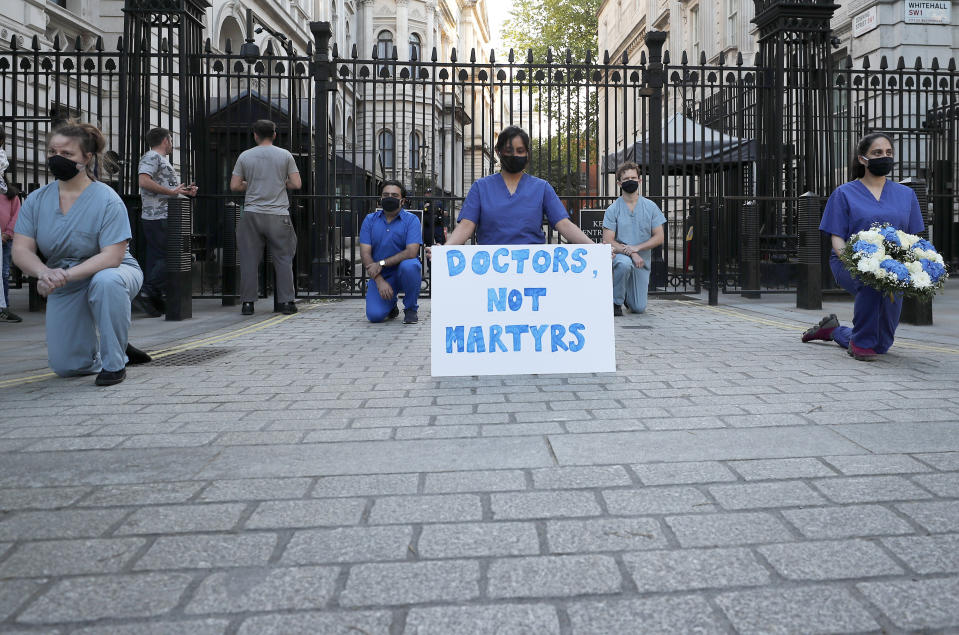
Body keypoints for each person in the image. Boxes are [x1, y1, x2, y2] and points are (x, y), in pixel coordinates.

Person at [12, 121, 152, 386]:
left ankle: (114, 363)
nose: (57, 158)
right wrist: (44, 272)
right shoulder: (36, 200)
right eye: (53, 151)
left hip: (113, 271)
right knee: (67, 367)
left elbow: (112, 257)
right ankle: (112, 346)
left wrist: (63, 274)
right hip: (65, 279)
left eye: (67, 154)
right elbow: (21, 249)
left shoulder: (107, 199)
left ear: (87, 158)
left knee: (106, 282)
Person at [801, 132, 925, 360]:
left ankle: (834, 331)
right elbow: (837, 238)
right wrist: (854, 263)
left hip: (892, 267)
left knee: (881, 344)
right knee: (872, 283)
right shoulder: (844, 193)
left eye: (888, 153)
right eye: (877, 153)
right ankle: (860, 345)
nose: (884, 157)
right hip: (848, 261)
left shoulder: (906, 195)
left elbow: (914, 238)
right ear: (862, 159)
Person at [444, 126, 594, 247]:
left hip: (532, 269)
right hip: (490, 270)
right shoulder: (480, 187)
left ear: (527, 154)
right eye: (509, 151)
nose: (514, 155)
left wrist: (595, 248)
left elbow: (564, 224)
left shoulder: (542, 188)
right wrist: (444, 250)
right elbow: (466, 225)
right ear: (498, 152)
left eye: (520, 151)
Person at [230, 119, 301, 316]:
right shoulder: (284, 155)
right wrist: (280, 182)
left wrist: (250, 185)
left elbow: (235, 186)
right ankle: (287, 303)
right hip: (278, 215)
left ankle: (248, 304)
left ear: (255, 135)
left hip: (252, 213)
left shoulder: (245, 156)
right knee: (284, 259)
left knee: (249, 260)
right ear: (275, 134)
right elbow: (296, 184)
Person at [135, 127, 197, 317]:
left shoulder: (159, 160)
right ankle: (148, 290)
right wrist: (172, 192)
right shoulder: (152, 157)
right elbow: (143, 181)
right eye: (170, 139)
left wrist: (183, 191)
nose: (172, 143)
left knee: (157, 258)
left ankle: (153, 298)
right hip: (158, 216)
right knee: (171, 255)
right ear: (165, 141)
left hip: (160, 215)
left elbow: (164, 187)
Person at [602, 161, 666, 316]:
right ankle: (616, 302)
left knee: (638, 308)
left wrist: (637, 249)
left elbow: (659, 237)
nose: (630, 181)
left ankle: (625, 296)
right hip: (621, 257)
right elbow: (608, 240)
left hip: (641, 262)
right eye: (626, 179)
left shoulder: (650, 207)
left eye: (633, 177)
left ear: (640, 180)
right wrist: (631, 252)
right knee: (624, 264)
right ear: (619, 183)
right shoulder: (613, 209)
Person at [359, 180, 422, 324]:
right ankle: (391, 305)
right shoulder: (369, 220)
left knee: (411, 265)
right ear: (380, 198)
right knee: (375, 316)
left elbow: (412, 252)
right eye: (386, 195)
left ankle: (411, 309)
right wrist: (379, 281)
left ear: (402, 201)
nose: (389, 198)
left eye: (394, 195)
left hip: (403, 271)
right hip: (381, 274)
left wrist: (381, 263)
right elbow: (365, 254)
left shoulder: (412, 220)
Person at [0, 179, 22, 323]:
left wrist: (7, 233)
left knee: (3, 272)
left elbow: (17, 215)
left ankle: (4, 307)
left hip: (5, 239)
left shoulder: (10, 194)